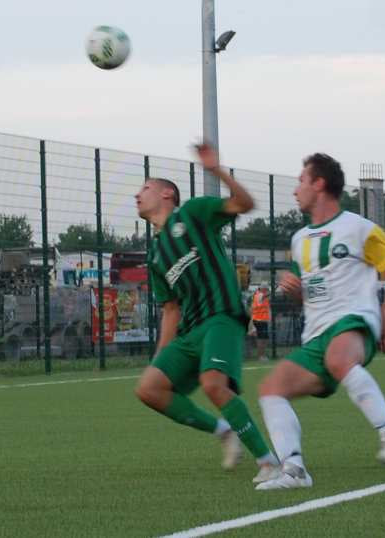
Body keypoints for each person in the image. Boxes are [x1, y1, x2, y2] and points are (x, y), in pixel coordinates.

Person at [255, 153, 385, 490]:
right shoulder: (299, 240)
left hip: (355, 320)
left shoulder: (359, 227)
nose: (296, 189)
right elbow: (311, 291)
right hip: (316, 333)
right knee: (270, 389)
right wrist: (295, 290)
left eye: (301, 180)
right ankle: (294, 471)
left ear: (320, 184)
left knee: (339, 358)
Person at [134, 143, 280, 484]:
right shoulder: (156, 254)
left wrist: (216, 169)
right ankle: (223, 431)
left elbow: (245, 204)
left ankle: (269, 462)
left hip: (221, 316)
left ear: (167, 193)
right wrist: (160, 357)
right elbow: (171, 310)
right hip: (190, 331)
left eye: (144, 187)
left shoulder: (194, 213)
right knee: (149, 389)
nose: (137, 195)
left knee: (213, 384)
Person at [250, 283, 271, 361]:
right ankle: (260, 356)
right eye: (265, 289)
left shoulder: (263, 296)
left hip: (263, 320)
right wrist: (271, 292)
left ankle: (263, 355)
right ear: (262, 289)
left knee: (264, 339)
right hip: (259, 320)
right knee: (261, 339)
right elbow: (264, 296)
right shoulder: (258, 295)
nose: (266, 290)